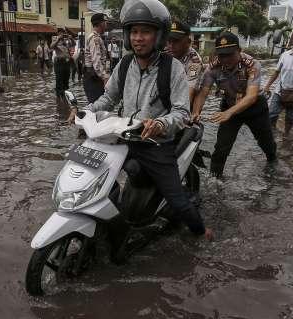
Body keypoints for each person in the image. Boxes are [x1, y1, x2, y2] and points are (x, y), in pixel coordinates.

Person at [68, 0, 214, 240]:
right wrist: (84, 111)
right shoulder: (124, 64)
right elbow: (108, 98)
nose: (138, 38)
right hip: (123, 136)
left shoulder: (173, 68)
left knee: (177, 199)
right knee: (87, 168)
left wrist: (160, 124)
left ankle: (201, 231)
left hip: (155, 143)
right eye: (134, 31)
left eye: (145, 31)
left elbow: (181, 112)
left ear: (159, 35)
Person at [192, 32, 277, 179]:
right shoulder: (213, 68)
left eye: (229, 54)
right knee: (221, 148)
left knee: (266, 143)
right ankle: (215, 180)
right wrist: (195, 112)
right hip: (229, 106)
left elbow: (251, 96)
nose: (225, 59)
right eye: (221, 55)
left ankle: (273, 165)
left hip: (255, 108)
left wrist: (229, 113)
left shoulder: (252, 65)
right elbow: (203, 93)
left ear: (239, 50)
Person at [165, 20, 205, 113]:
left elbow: (189, 93)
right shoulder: (164, 52)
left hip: (184, 103)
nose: (171, 45)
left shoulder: (194, 62)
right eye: (169, 41)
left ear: (188, 42)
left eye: (176, 41)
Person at [84, 13, 111, 103]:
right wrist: (105, 78)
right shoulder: (94, 38)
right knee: (97, 107)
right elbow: (97, 61)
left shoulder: (97, 37)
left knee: (98, 105)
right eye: (105, 22)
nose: (106, 25)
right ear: (101, 23)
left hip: (94, 76)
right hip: (94, 77)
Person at [51, 27, 75, 97]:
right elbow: (52, 46)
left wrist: (71, 38)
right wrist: (58, 38)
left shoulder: (67, 41)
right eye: (61, 32)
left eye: (63, 32)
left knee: (66, 79)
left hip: (67, 63)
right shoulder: (55, 39)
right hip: (59, 63)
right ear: (58, 33)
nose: (62, 34)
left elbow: (74, 44)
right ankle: (59, 98)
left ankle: (65, 96)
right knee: (59, 80)